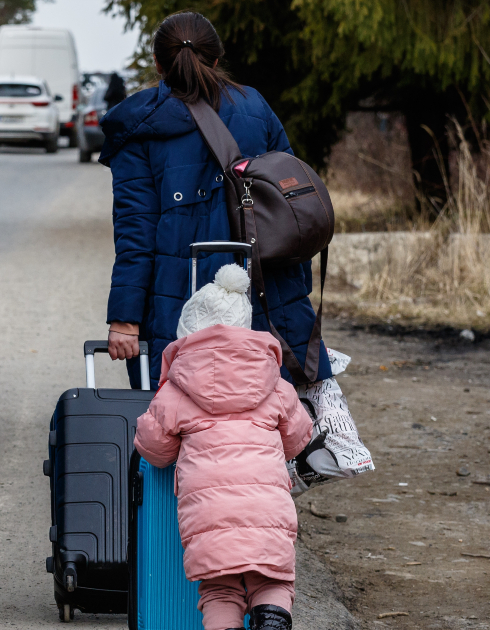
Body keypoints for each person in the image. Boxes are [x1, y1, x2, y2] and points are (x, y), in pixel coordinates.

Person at [98, 11, 331, 389]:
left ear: (158, 63)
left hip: (177, 302)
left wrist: (125, 319)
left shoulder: (138, 129)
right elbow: (293, 208)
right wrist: (295, 293)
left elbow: (135, 232)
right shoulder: (255, 107)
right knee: (269, 411)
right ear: (217, 58)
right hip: (263, 290)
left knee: (183, 413)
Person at [133, 263, 312, 630]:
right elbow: (297, 440)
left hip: (208, 515)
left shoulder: (176, 391)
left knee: (219, 590)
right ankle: (273, 621)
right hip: (267, 509)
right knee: (273, 579)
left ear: (187, 335)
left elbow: (155, 451)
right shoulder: (276, 385)